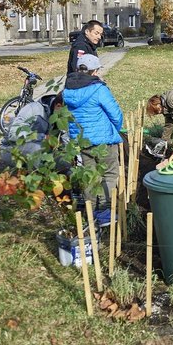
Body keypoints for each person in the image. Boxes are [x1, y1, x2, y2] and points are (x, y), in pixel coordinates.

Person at [63, 54, 123, 225]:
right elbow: (116, 114)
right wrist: (114, 130)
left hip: (82, 141)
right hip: (104, 140)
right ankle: (105, 210)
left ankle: (92, 212)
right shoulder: (99, 89)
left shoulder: (68, 90)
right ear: (95, 71)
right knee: (110, 173)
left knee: (89, 175)